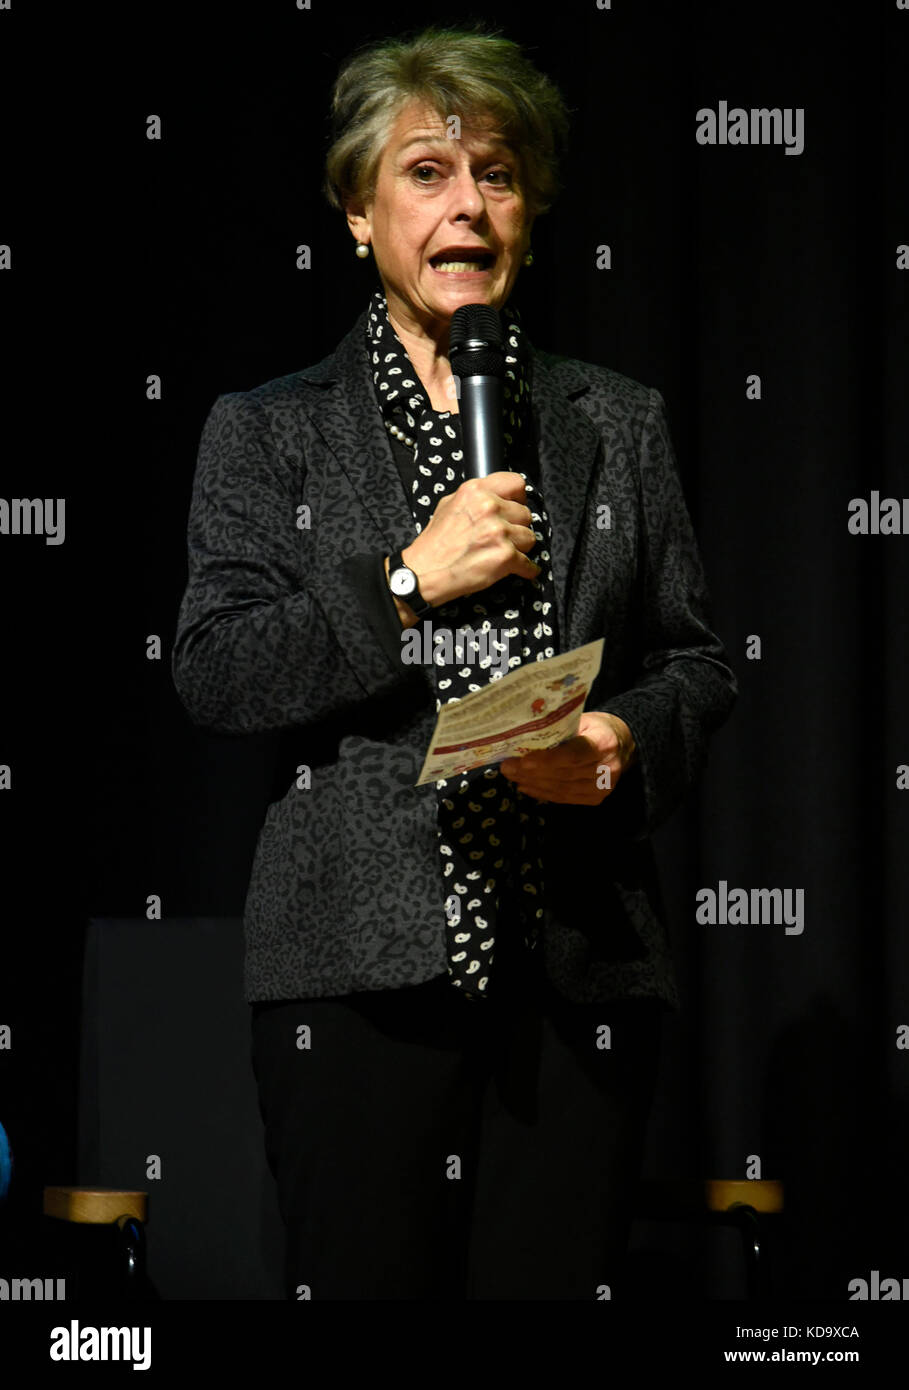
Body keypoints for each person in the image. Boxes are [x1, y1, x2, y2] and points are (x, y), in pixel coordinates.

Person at [172, 24, 737, 1300]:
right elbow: (216, 669)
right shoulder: (270, 435)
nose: (467, 204)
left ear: (531, 214)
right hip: (357, 980)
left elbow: (698, 660)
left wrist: (621, 742)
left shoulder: (617, 421)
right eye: (426, 172)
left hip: (577, 960)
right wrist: (409, 581)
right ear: (360, 215)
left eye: (497, 173)